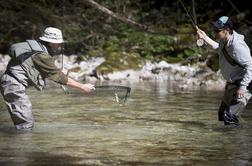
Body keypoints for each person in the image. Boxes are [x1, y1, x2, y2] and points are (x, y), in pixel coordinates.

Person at [0, 27, 95, 131]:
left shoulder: (35, 47)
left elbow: (45, 71)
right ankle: (24, 145)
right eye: (58, 43)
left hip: (10, 83)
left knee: (24, 121)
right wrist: (83, 86)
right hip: (13, 86)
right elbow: (58, 77)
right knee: (25, 124)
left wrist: (58, 73)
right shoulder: (41, 55)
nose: (59, 46)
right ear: (50, 43)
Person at [197, 16, 252, 126]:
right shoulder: (224, 41)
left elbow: (250, 66)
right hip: (232, 83)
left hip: (245, 85)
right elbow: (219, 49)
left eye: (218, 30)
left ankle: (234, 141)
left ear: (227, 30)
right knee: (222, 115)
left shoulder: (237, 46)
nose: (215, 32)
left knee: (229, 117)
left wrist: (243, 87)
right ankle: (226, 139)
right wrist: (205, 37)